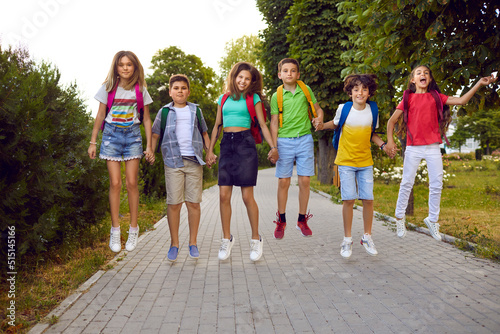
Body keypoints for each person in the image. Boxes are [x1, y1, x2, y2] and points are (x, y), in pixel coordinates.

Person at [386, 65, 497, 241]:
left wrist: (479, 84)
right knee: (407, 182)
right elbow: (391, 121)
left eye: (426, 73)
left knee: (437, 184)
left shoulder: (436, 97)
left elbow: (461, 101)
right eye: (419, 73)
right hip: (413, 147)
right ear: (413, 80)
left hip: (432, 147)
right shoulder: (407, 98)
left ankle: (432, 220)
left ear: (429, 79)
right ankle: (399, 217)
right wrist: (390, 141)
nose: (423, 74)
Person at [206, 62, 278, 262]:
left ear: (251, 81)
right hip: (226, 146)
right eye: (240, 77)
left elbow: (263, 125)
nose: (243, 81)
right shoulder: (223, 98)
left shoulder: (253, 98)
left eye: (247, 79)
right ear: (233, 76)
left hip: (245, 145)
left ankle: (256, 239)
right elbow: (216, 126)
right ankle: (226, 238)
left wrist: (273, 147)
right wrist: (210, 150)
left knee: (247, 197)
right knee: (222, 195)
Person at [317, 74, 394, 258]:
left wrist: (384, 146)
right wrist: (321, 126)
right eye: (356, 89)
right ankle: (347, 239)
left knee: (368, 199)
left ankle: (367, 236)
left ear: (369, 93)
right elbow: (335, 125)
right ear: (350, 92)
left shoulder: (372, 110)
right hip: (345, 161)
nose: (360, 92)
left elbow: (372, 134)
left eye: (364, 89)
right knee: (349, 199)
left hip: (365, 161)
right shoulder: (343, 108)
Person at [88, 50, 154, 253]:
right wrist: (92, 142)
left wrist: (149, 146)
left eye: (129, 64)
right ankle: (115, 230)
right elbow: (100, 115)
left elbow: (146, 119)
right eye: (121, 64)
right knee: (115, 183)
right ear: (116, 67)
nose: (125, 68)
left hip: (133, 136)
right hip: (110, 136)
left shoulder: (140, 89)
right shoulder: (108, 87)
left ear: (135, 67)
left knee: (131, 183)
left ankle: (134, 229)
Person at [150, 74, 211, 262]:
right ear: (170, 92)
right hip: (173, 162)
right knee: (174, 203)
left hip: (194, 161)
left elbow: (204, 133)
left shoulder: (196, 111)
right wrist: (151, 152)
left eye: (183, 88)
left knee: (193, 203)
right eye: (176, 88)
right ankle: (174, 244)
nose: (180, 91)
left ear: (188, 91)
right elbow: (154, 134)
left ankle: (193, 243)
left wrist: (209, 152)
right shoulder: (164, 112)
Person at [269, 58, 324, 239]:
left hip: (304, 139)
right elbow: (274, 122)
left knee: (305, 181)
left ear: (298, 74)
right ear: (280, 75)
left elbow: (318, 110)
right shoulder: (276, 96)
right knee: (283, 182)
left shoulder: (305, 90)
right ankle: (281, 219)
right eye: (285, 71)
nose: (289, 73)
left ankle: (302, 219)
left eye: (293, 71)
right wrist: (274, 146)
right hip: (284, 142)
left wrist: (319, 119)